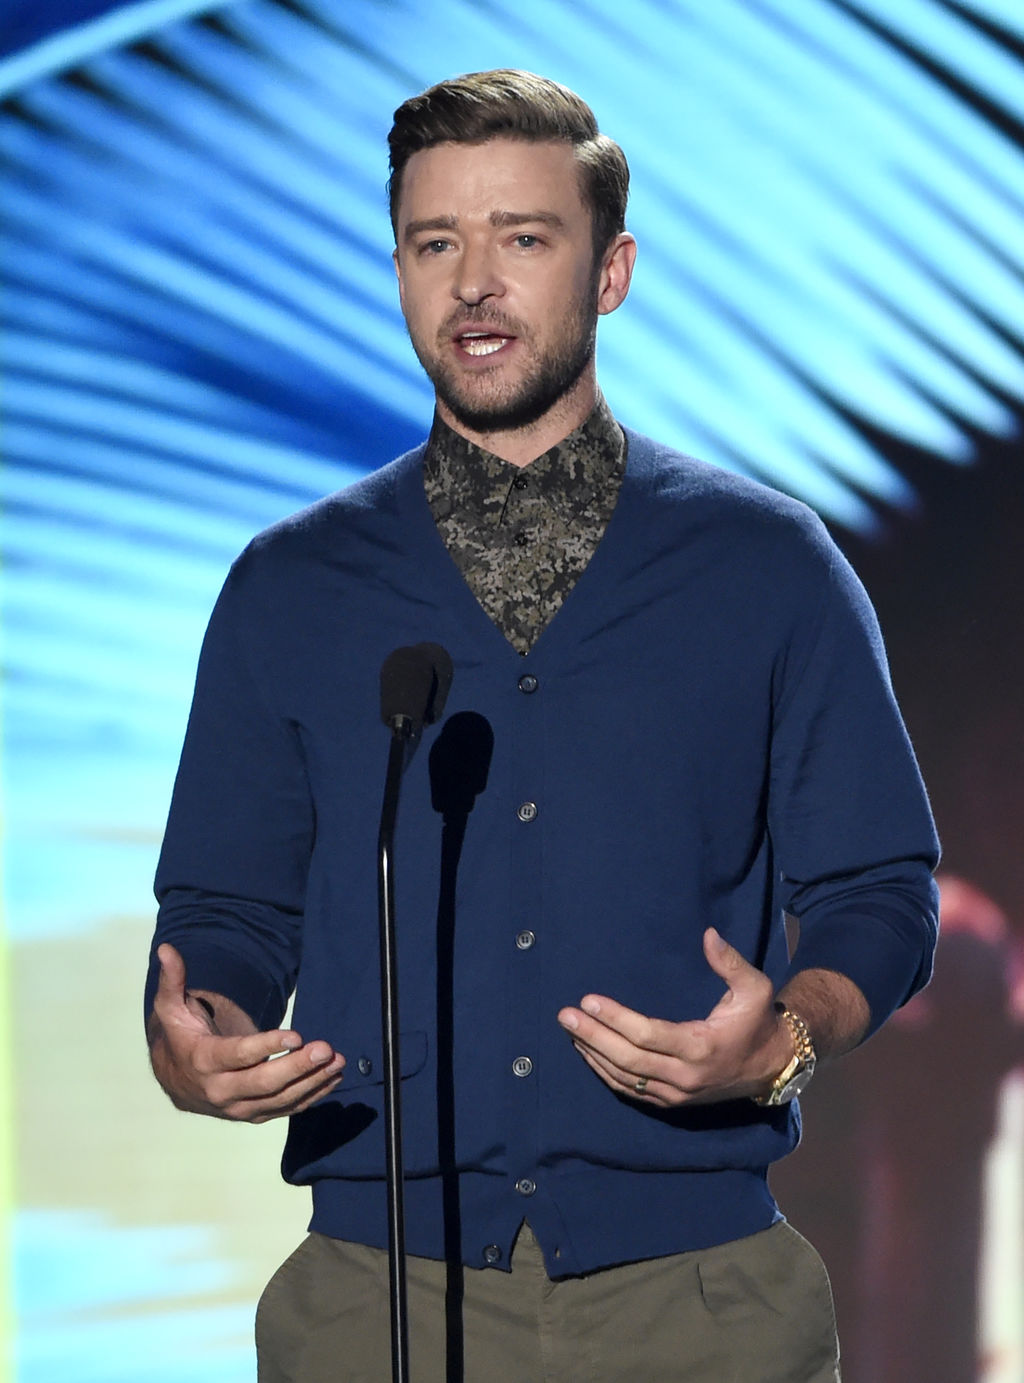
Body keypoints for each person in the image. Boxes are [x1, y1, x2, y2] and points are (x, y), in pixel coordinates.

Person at [145, 70, 939, 1383]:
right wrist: (199, 1033)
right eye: (433, 243)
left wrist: (789, 1037)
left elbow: (879, 891)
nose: (473, 284)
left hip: (699, 1304)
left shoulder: (768, 569)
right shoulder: (290, 588)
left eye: (522, 237)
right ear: (398, 273)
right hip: (374, 1306)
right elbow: (227, 912)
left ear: (611, 271)